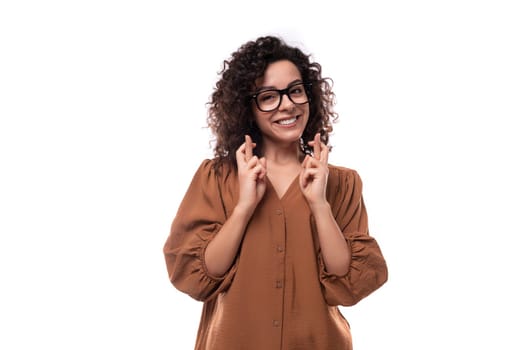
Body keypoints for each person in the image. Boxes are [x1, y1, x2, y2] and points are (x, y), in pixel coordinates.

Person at [163, 35, 388, 350]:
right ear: (247, 107)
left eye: (295, 91)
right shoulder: (216, 178)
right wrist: (243, 207)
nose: (287, 104)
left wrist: (320, 205)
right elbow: (198, 276)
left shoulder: (341, 183)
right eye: (269, 96)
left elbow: (348, 281)